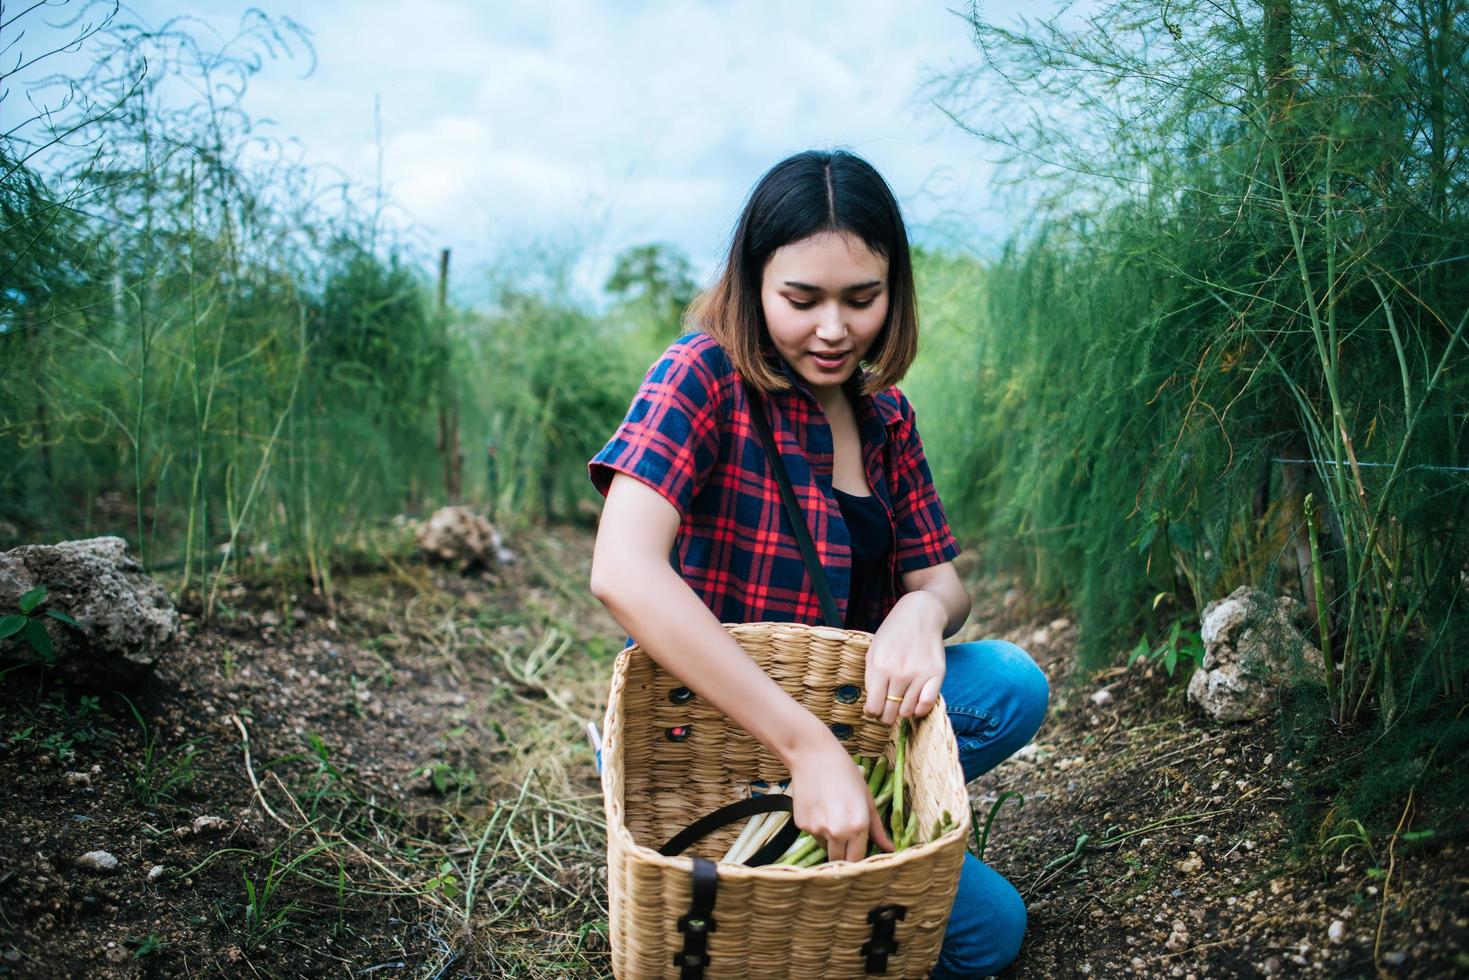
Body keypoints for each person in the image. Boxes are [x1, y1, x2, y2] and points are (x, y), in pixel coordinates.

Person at [586, 149, 1049, 978]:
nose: (832, 329)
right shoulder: (700, 376)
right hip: (710, 731)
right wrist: (805, 749)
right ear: (753, 284)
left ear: (892, 293)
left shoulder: (884, 416)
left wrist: (920, 612)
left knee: (1010, 687)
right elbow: (623, 570)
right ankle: (768, 849)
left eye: (860, 299)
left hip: (843, 718)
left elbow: (942, 580)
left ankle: (808, 853)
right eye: (801, 300)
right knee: (980, 932)